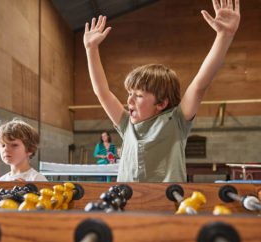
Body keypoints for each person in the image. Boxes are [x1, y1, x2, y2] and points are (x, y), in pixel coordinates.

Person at [83, 0, 240, 182]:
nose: (130, 100)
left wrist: (224, 36)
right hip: (128, 204)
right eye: (130, 93)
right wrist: (91, 49)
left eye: (139, 95)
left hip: (167, 204)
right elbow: (102, 91)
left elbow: (199, 85)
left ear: (161, 103)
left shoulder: (176, 122)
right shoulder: (127, 124)